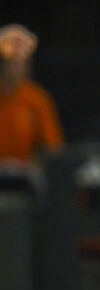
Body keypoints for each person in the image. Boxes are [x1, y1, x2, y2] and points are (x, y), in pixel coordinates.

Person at [0, 24, 62, 186]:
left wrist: (36, 165)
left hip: (24, 178)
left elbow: (52, 148)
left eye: (24, 59)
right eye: (13, 60)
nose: (20, 65)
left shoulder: (35, 98)